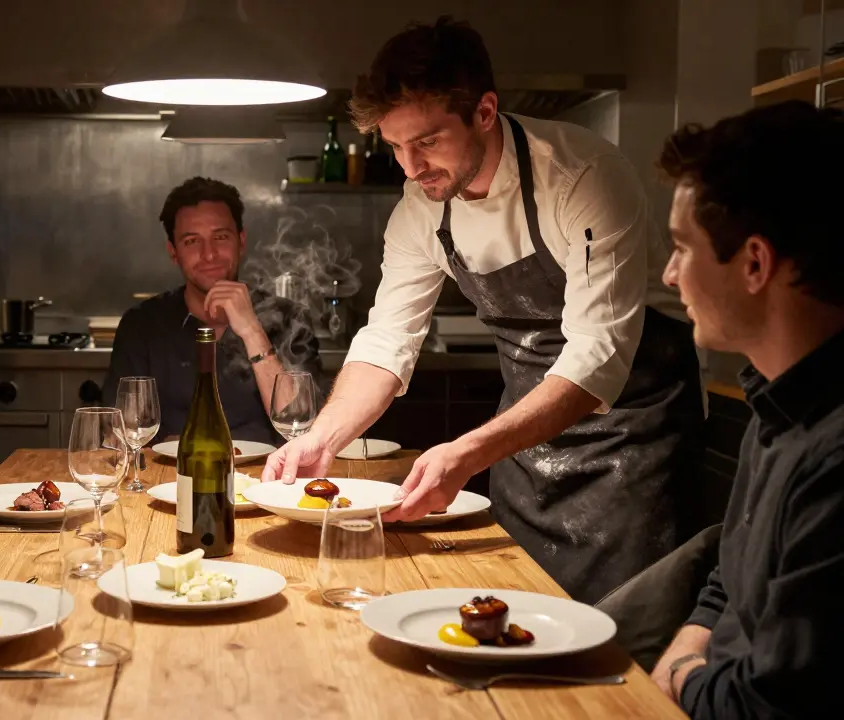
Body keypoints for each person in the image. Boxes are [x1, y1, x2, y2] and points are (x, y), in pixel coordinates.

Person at [262, 17, 704, 604]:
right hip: (524, 447)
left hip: (636, 444)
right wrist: (324, 437)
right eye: (394, 147)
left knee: (618, 647)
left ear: (485, 112)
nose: (411, 168)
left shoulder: (583, 178)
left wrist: (468, 451)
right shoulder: (420, 209)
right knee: (515, 614)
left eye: (427, 141)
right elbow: (388, 340)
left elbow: (599, 356)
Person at [641, 101, 843, 718]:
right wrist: (686, 658)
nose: (671, 276)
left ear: (754, 262)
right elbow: (729, 582)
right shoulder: (776, 403)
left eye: (682, 248)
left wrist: (677, 675)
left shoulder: (833, 459)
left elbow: (769, 705)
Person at [103, 176, 324, 446]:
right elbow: (119, 433)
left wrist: (252, 330)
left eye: (220, 237)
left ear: (241, 241)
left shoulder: (290, 320)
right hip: (170, 480)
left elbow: (303, 425)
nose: (209, 254)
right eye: (192, 241)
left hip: (269, 480)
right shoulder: (142, 325)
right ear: (173, 252)